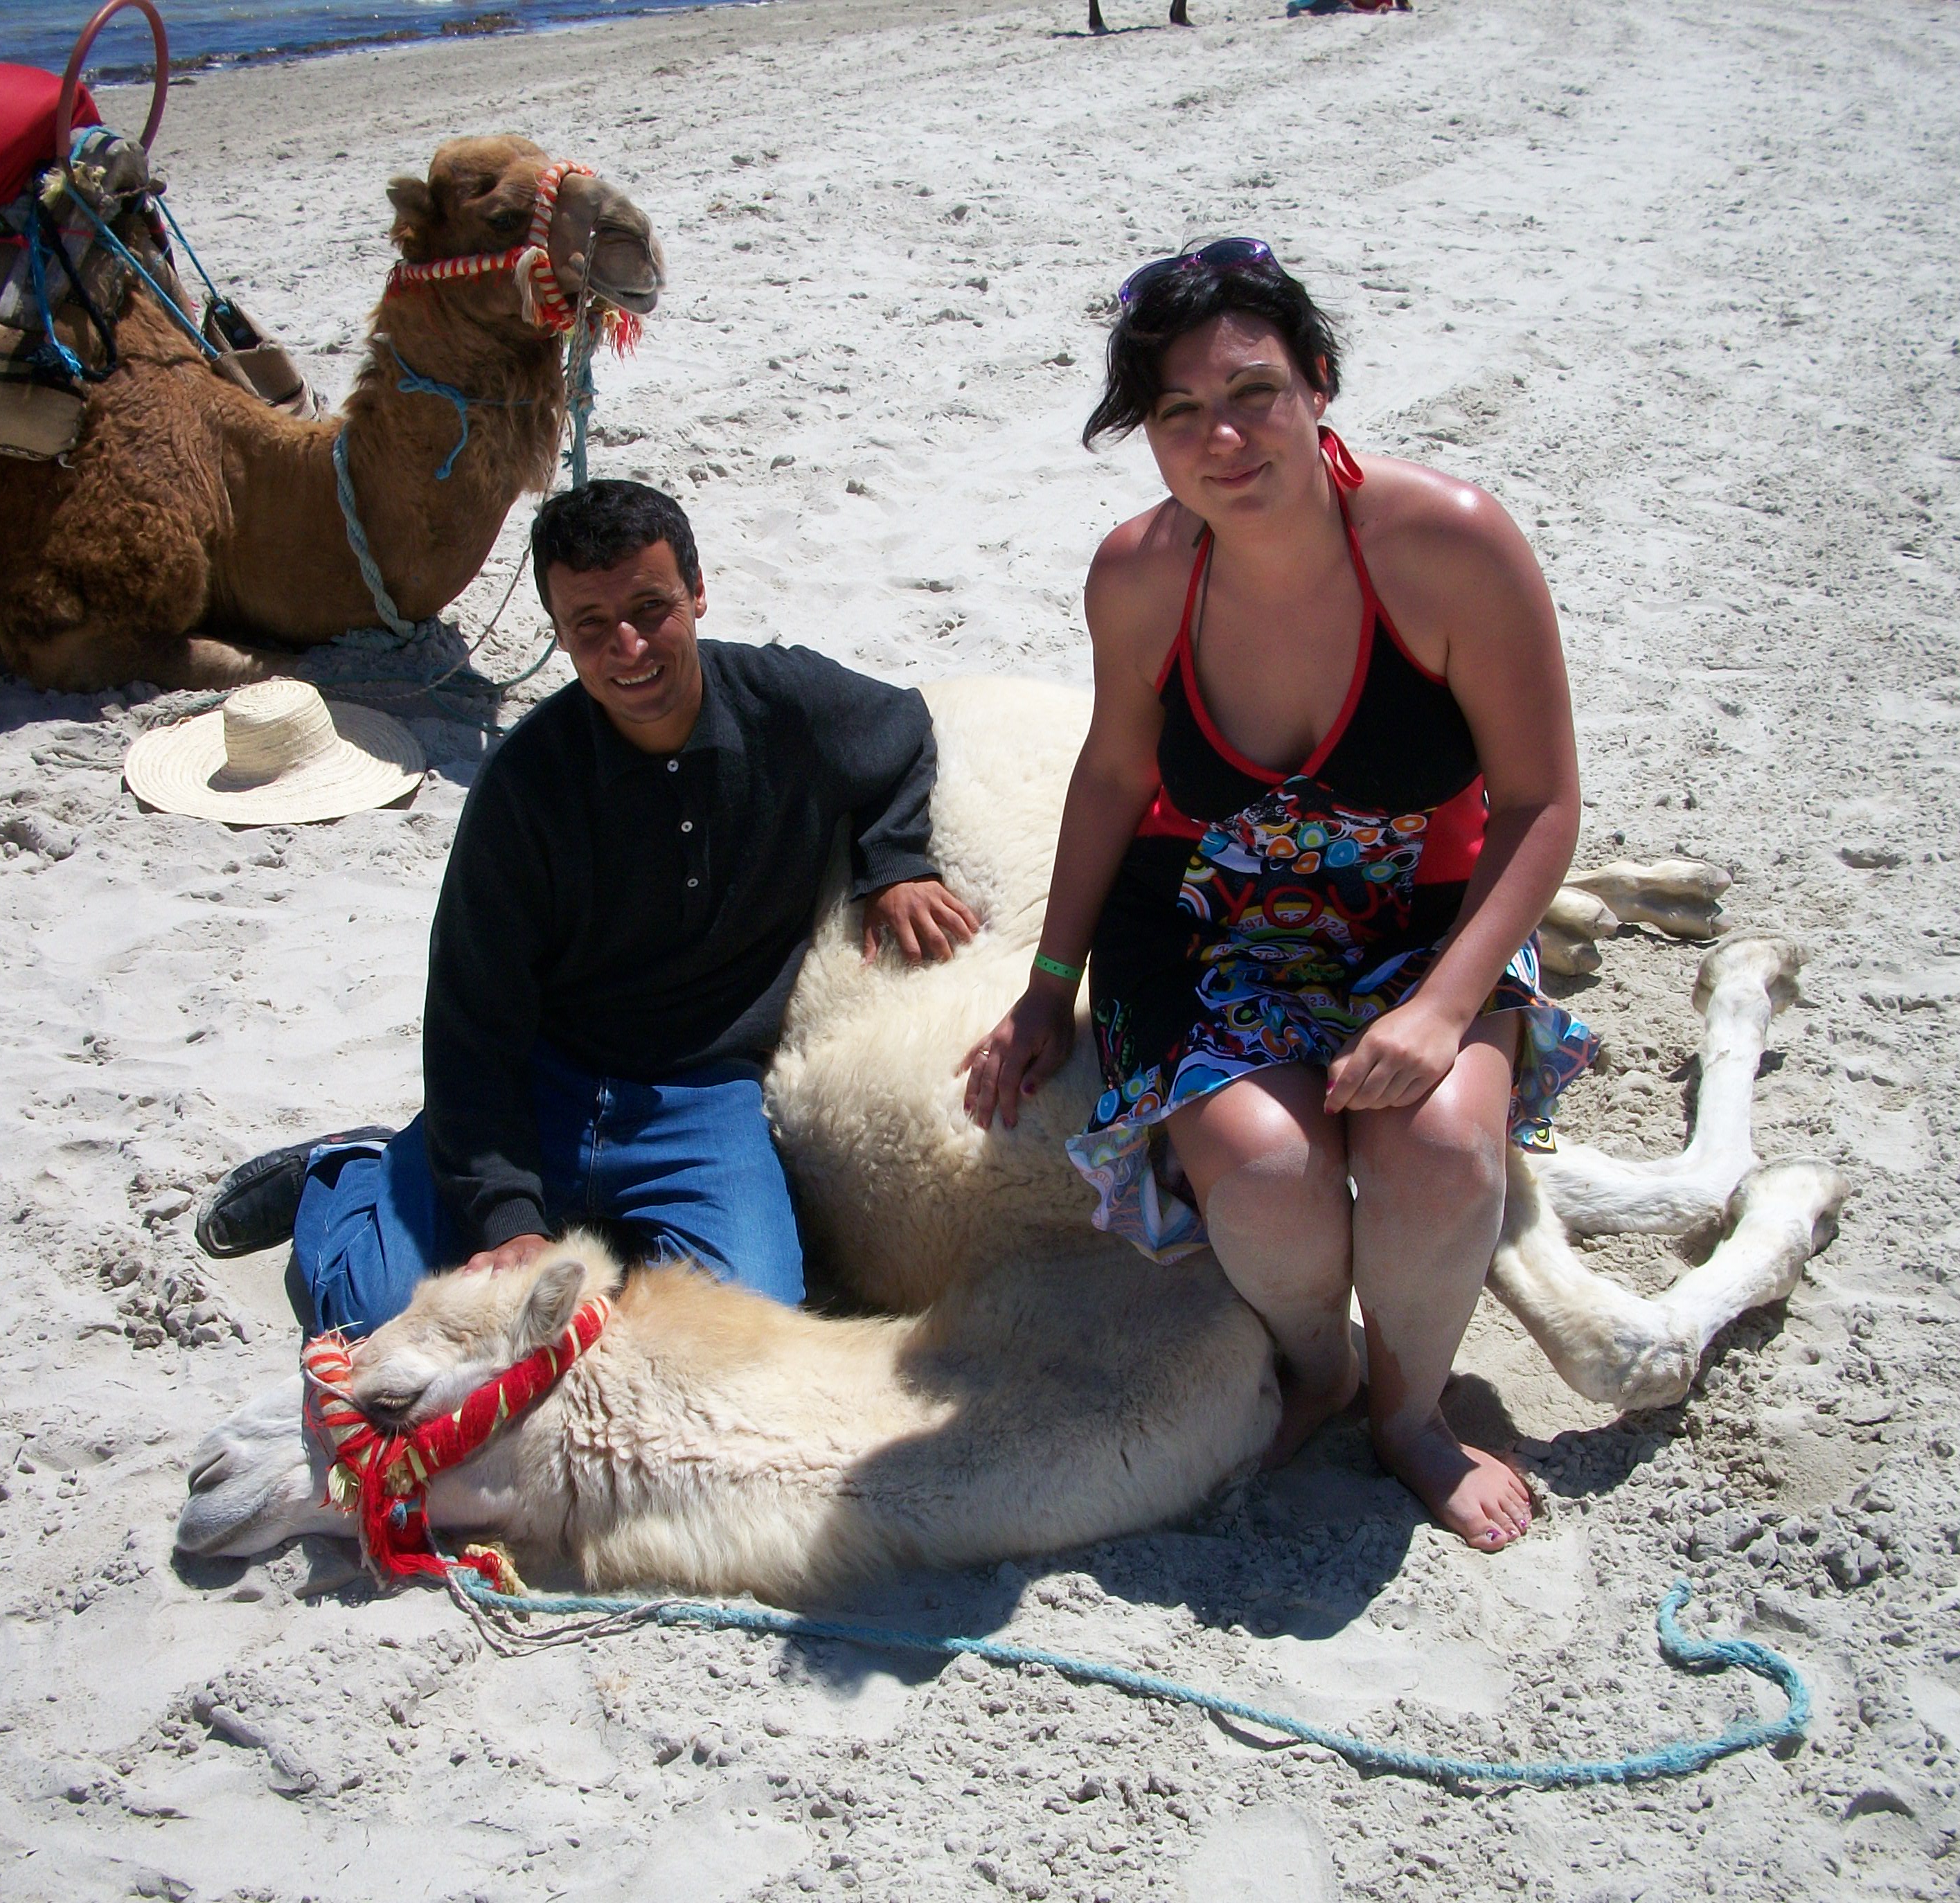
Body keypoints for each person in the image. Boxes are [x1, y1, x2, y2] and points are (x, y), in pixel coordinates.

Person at [961, 240, 1594, 1553]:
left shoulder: (1448, 545)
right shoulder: (1139, 576)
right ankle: (1321, 1364)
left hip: (1423, 926)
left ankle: (1410, 1411)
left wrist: (1443, 1008)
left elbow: (1539, 803)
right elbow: (1112, 774)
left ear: (1318, 384)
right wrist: (1044, 986)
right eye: (1178, 411)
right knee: (1263, 1172)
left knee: (1436, 1149)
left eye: (1253, 391)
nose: (1222, 437)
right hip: (1201, 933)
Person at [197, 480, 979, 1334]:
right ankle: (346, 1173)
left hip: (700, 1095)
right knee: (376, 1312)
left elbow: (904, 728)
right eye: (590, 625)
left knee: (753, 1322)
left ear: (697, 591)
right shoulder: (525, 784)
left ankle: (591, 1217)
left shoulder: (785, 704)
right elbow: (470, 1025)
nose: (627, 648)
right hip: (545, 1083)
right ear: (560, 633)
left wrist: (893, 862)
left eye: (650, 608)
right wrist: (509, 1222)